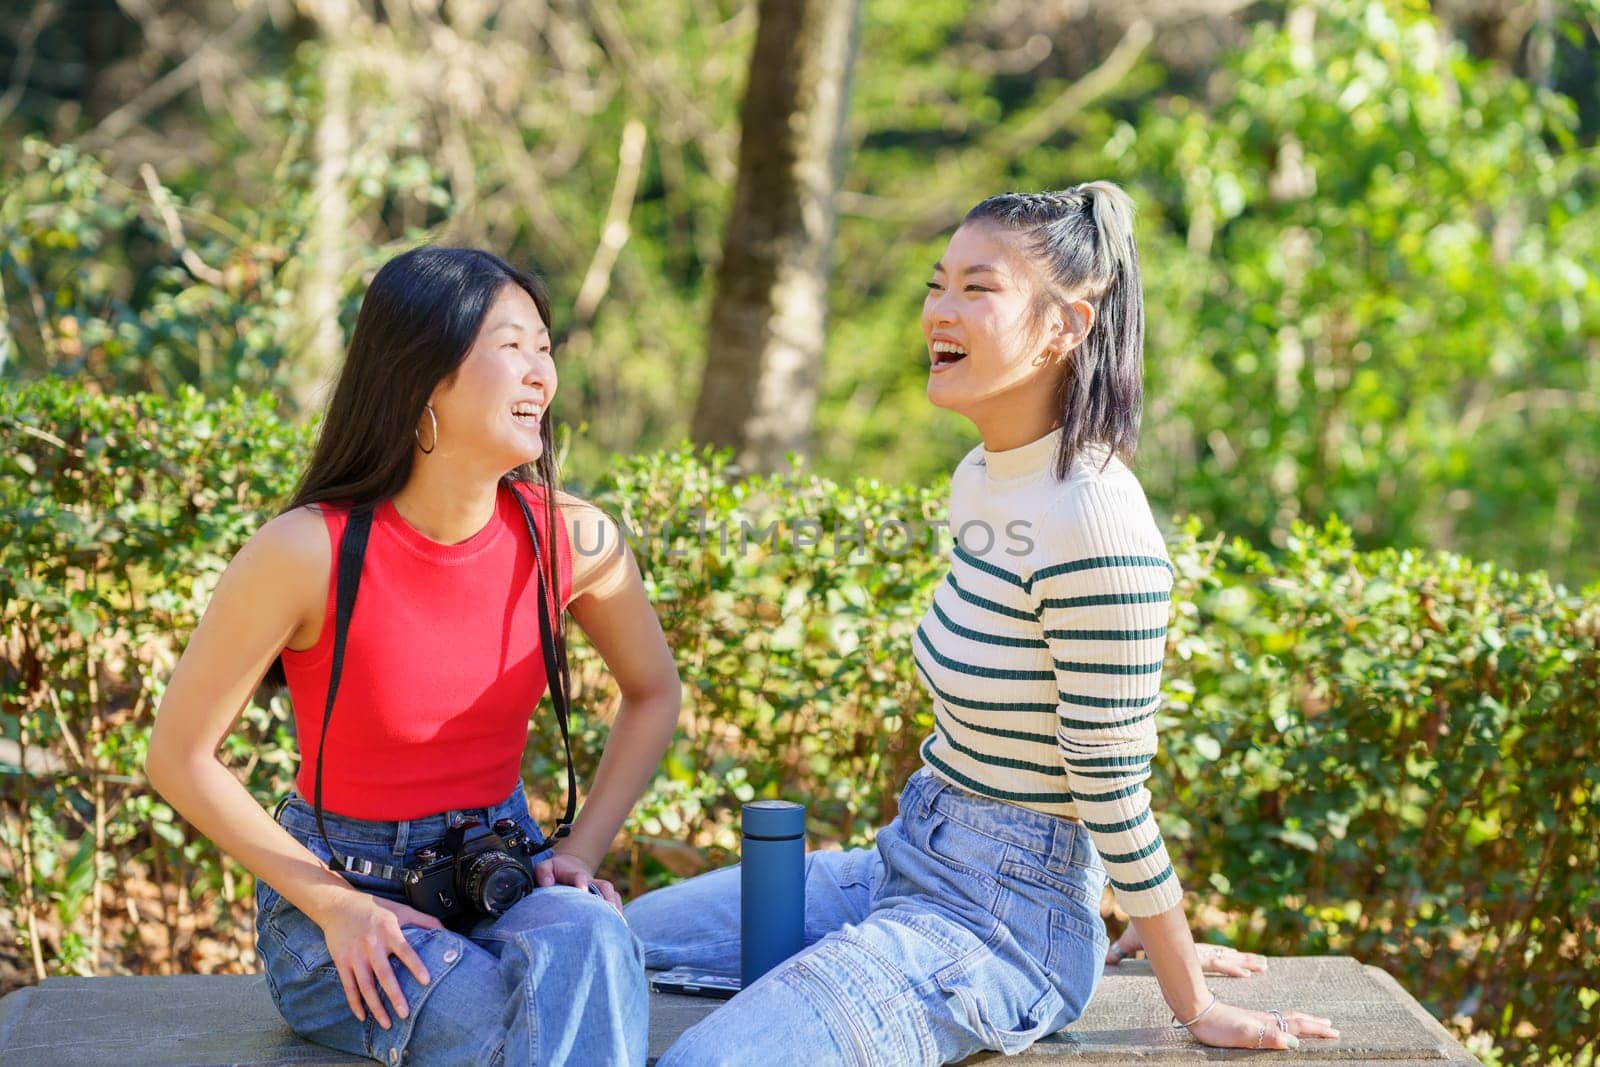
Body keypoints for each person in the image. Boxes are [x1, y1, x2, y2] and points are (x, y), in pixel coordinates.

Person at [626, 183, 1341, 1064]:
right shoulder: (981, 476)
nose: (940, 310)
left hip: (1006, 923)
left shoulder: (1097, 519)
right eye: (938, 284)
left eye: (978, 287)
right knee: (618, 940)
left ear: (1066, 326)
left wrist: (1184, 987)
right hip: (905, 859)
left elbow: (1109, 783)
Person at [146, 247, 681, 1067]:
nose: (541, 373)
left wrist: (575, 856)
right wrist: (334, 905)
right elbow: (178, 757)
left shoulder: (571, 537)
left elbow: (653, 692)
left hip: (504, 871)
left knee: (598, 944)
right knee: (516, 1028)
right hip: (343, 908)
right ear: (424, 374)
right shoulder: (307, 552)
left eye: (546, 347)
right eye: (513, 346)